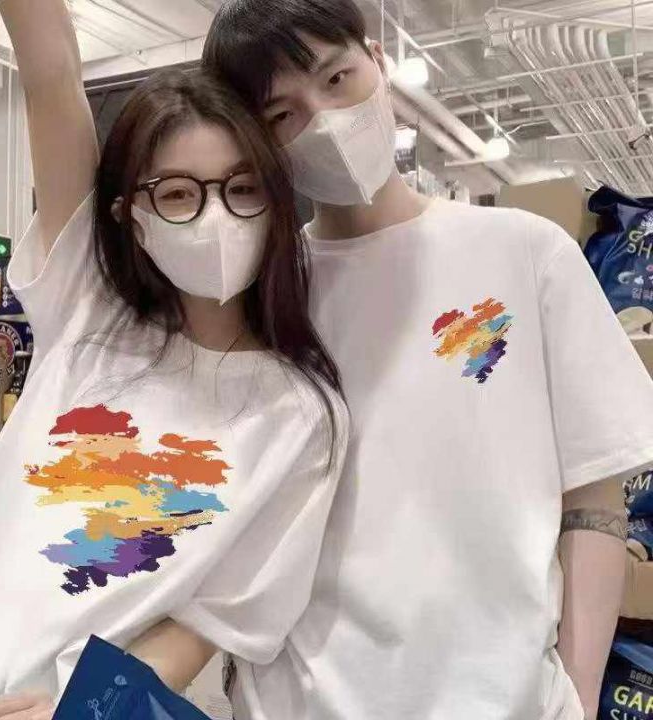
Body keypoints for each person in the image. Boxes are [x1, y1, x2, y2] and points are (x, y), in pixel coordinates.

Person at [202, 1, 653, 718]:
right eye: (283, 114)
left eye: (337, 79)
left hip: (504, 699)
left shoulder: (526, 252)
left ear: (378, 62)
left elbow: (595, 499)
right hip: (297, 700)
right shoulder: (260, 297)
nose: (325, 120)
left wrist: (577, 688)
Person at [0, 1, 349, 718]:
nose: (217, 217)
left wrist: (80, 709)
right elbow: (49, 66)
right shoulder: (88, 309)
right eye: (179, 194)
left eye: (243, 188)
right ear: (131, 216)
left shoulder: (302, 415)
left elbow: (205, 624)